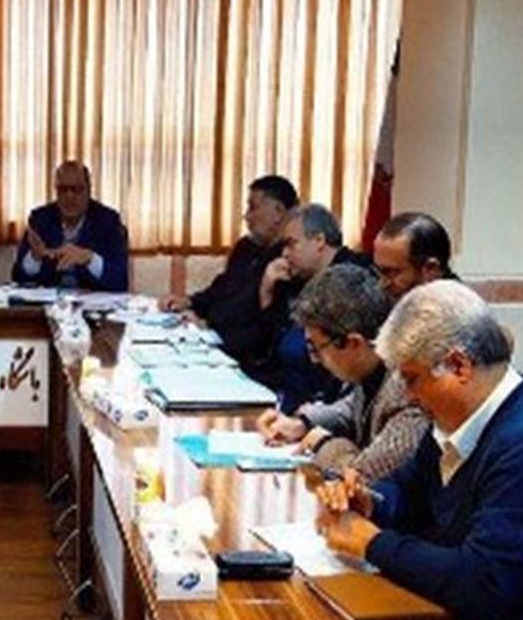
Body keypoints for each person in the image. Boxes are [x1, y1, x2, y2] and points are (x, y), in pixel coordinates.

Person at [316, 280, 523, 620]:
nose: (408, 395)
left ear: (459, 366)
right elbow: (409, 489)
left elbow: (486, 585)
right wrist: (370, 502)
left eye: (411, 379)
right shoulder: (456, 419)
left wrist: (372, 543)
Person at [255, 264, 428, 482]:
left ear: (354, 343)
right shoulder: (374, 365)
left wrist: (322, 443)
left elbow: (361, 476)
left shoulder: (410, 390)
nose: (314, 359)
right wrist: (302, 423)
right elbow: (350, 407)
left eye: (316, 348)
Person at [159, 175, 298, 366]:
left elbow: (261, 331)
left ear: (278, 212)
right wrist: (189, 302)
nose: (246, 216)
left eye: (253, 208)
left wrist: (212, 334)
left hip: (239, 354)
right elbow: (221, 288)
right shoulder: (246, 247)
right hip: (210, 338)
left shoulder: (287, 262)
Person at [256, 203, 371, 409]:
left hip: (321, 409)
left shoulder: (353, 280)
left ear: (319, 241)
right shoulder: (299, 279)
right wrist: (267, 293)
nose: (284, 254)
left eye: (291, 244)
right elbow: (269, 347)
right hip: (283, 396)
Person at [10, 161, 128, 291]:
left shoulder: (108, 221)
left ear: (88, 190)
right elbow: (17, 277)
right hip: (48, 301)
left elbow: (120, 280)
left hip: (91, 301)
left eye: (76, 189)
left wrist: (90, 259)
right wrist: (34, 258)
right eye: (63, 189)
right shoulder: (40, 219)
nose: (69, 196)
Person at [373, 211, 457, 301]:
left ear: (430, 269)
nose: (382, 284)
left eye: (392, 273)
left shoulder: (456, 307)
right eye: (380, 271)